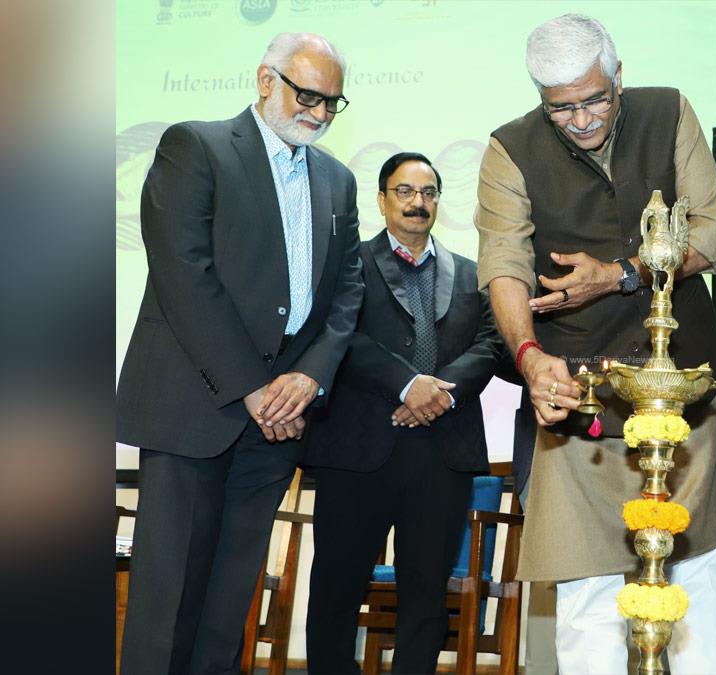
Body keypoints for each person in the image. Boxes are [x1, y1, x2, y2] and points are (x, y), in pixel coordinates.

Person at [475, 13, 716, 673]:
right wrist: (531, 357)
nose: (583, 118)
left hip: (680, 388)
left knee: (694, 571)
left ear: (619, 77)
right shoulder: (509, 149)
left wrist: (622, 276)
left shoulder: (669, 112)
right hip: (578, 392)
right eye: (562, 109)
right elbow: (503, 264)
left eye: (595, 98)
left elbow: (712, 234)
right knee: (587, 586)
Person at [115, 32, 364, 674]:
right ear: (264, 80)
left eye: (332, 103)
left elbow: (347, 292)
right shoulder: (194, 147)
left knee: (229, 606)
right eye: (307, 94)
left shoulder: (337, 179)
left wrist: (308, 378)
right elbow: (184, 275)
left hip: (279, 423)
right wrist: (254, 386)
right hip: (197, 409)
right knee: (167, 603)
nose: (318, 112)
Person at [303, 152, 504, 674]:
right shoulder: (347, 265)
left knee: (425, 596)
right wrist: (407, 384)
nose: (419, 203)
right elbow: (340, 338)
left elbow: (489, 343)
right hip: (357, 451)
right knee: (336, 590)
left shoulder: (469, 273)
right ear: (382, 199)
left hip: (442, 453)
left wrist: (440, 393)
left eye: (429, 192)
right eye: (405, 191)